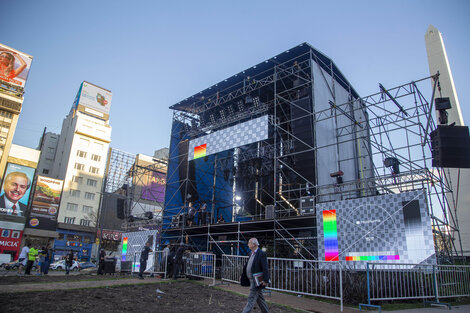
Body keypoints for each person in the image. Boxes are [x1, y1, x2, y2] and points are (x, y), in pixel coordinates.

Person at [241, 238, 270, 313]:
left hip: (257, 280)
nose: (248, 244)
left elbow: (265, 267)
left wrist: (266, 279)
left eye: (249, 243)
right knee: (260, 299)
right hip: (251, 279)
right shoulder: (251, 253)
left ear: (254, 244)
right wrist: (243, 275)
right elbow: (248, 265)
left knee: (251, 298)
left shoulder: (261, 254)